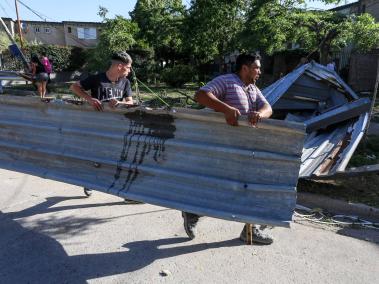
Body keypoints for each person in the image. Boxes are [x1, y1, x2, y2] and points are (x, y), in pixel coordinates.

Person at [182, 53, 274, 245]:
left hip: (244, 148)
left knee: (248, 185)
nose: (259, 71)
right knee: (223, 186)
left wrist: (260, 114)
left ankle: (250, 229)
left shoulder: (252, 89)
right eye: (257, 67)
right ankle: (193, 211)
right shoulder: (227, 81)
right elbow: (200, 95)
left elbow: (268, 107)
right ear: (245, 68)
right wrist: (225, 109)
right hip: (222, 147)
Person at [70, 51, 141, 204]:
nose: (130, 71)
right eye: (128, 67)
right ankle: (90, 182)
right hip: (98, 126)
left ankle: (127, 193)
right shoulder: (97, 79)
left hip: (118, 127)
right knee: (97, 157)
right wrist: (89, 99)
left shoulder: (125, 82)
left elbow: (130, 102)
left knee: (121, 159)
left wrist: (120, 103)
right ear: (120, 66)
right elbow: (74, 87)